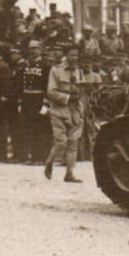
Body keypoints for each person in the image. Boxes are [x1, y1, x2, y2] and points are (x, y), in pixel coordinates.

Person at [44, 44, 82, 182]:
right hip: (59, 110)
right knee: (61, 142)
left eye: (76, 55)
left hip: (75, 111)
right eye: (72, 55)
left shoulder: (78, 71)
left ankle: (69, 173)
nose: (74, 58)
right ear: (66, 55)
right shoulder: (56, 70)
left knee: (73, 142)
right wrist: (67, 97)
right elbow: (51, 92)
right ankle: (50, 162)